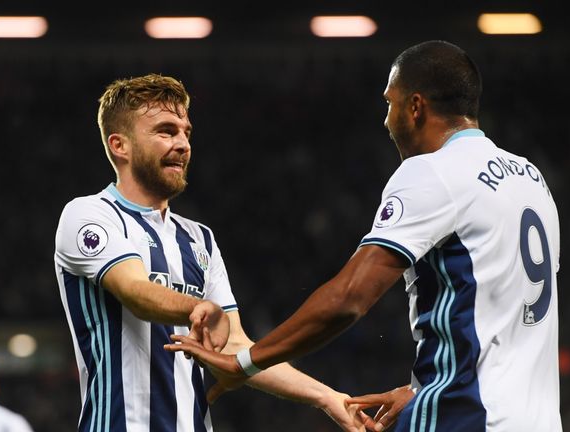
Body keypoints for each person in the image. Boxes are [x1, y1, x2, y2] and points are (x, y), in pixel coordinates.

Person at [165, 40, 562, 432]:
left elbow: (349, 298)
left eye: (390, 104)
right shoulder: (531, 179)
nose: (386, 120)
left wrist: (246, 361)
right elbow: (506, 314)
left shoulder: (434, 171)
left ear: (416, 107)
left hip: (468, 420)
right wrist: (419, 389)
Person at [53, 73, 361, 431]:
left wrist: (326, 397)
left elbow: (233, 345)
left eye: (186, 132)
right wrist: (196, 307)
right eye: (166, 131)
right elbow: (134, 290)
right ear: (120, 145)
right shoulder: (89, 214)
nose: (183, 144)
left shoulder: (199, 238)